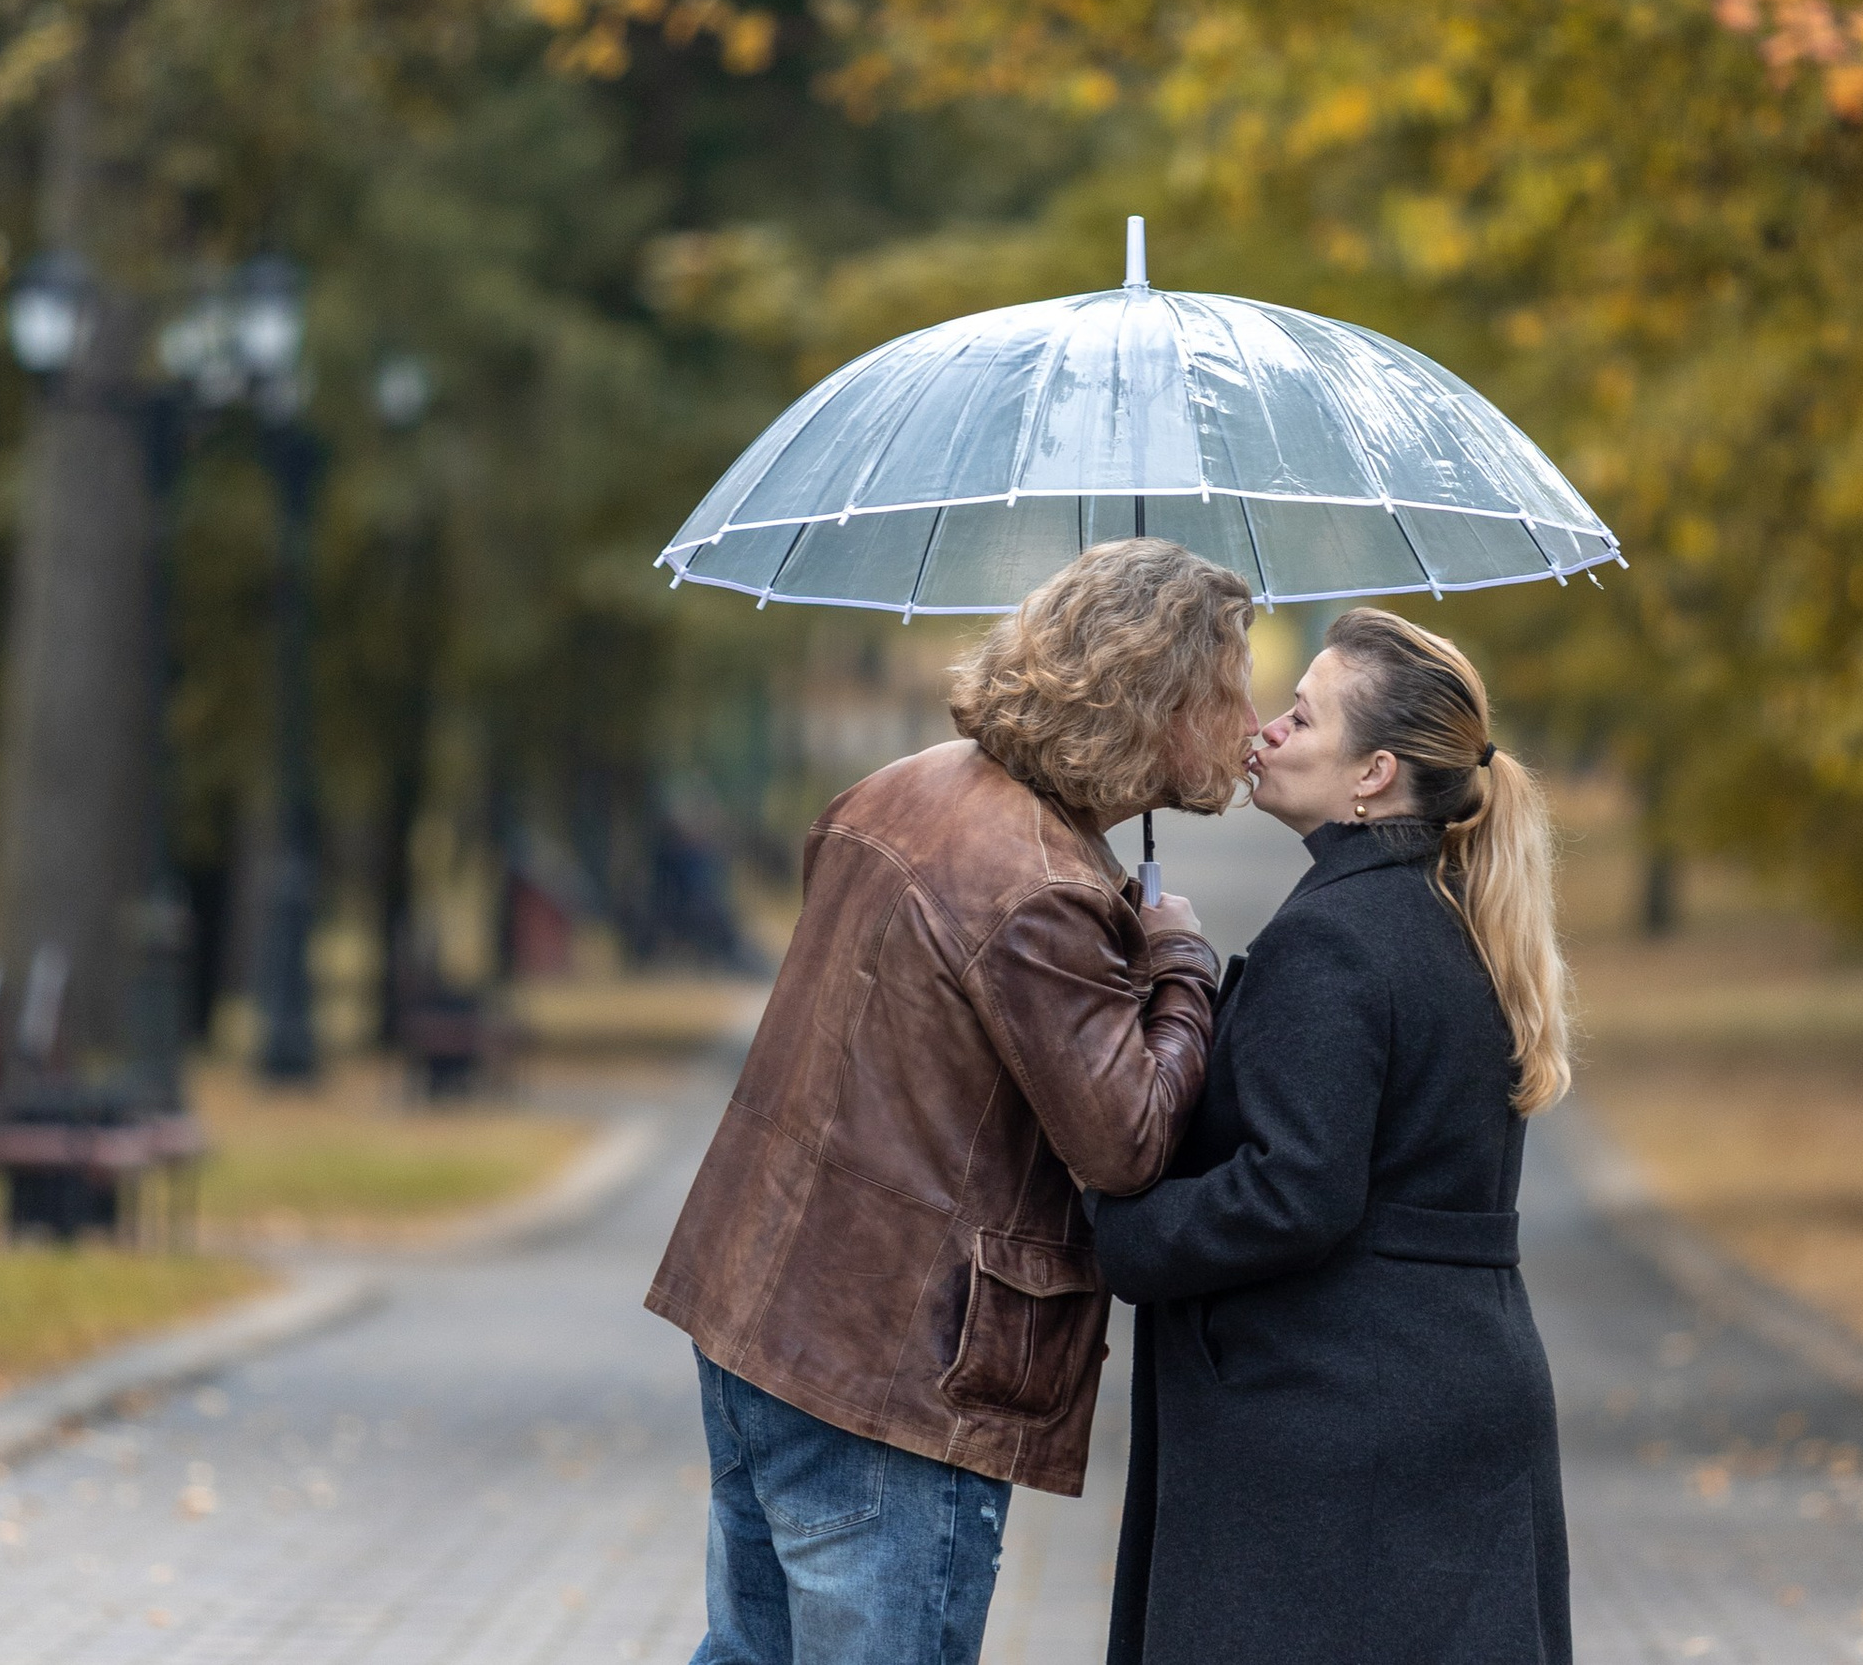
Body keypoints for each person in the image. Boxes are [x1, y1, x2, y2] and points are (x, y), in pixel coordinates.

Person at [647, 538, 1261, 1665]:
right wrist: (1180, 969)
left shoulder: (903, 787)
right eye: (1229, 687)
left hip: (758, 1304)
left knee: (752, 1651)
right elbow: (1126, 1144)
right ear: (1158, 699)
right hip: (885, 1363)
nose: (1248, 718)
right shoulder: (1041, 889)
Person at [1093, 607, 1576, 1665]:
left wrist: (1121, 1232)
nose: (1265, 730)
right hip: (1446, 1399)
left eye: (1301, 717)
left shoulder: (1335, 938)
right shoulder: (1449, 916)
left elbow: (1294, 1190)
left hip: (1334, 1429)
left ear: (1374, 775)